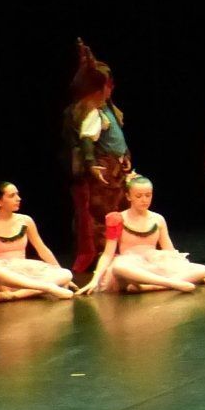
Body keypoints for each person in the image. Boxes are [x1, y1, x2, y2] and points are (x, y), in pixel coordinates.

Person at [65, 38, 131, 274]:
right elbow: (86, 139)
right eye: (106, 85)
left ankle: (122, 252)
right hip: (104, 171)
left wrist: (125, 157)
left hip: (116, 168)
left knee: (120, 210)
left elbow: (117, 140)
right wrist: (92, 164)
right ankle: (105, 255)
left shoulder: (107, 111)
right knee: (103, 214)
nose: (110, 89)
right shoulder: (92, 112)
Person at [83, 175, 205, 293]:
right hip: (131, 266)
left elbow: (169, 250)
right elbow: (108, 254)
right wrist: (95, 280)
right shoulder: (118, 219)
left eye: (148, 195)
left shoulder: (158, 219)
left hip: (155, 264)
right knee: (119, 267)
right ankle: (171, 283)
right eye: (139, 196)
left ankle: (153, 286)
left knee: (202, 269)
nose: (144, 200)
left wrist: (194, 272)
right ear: (128, 196)